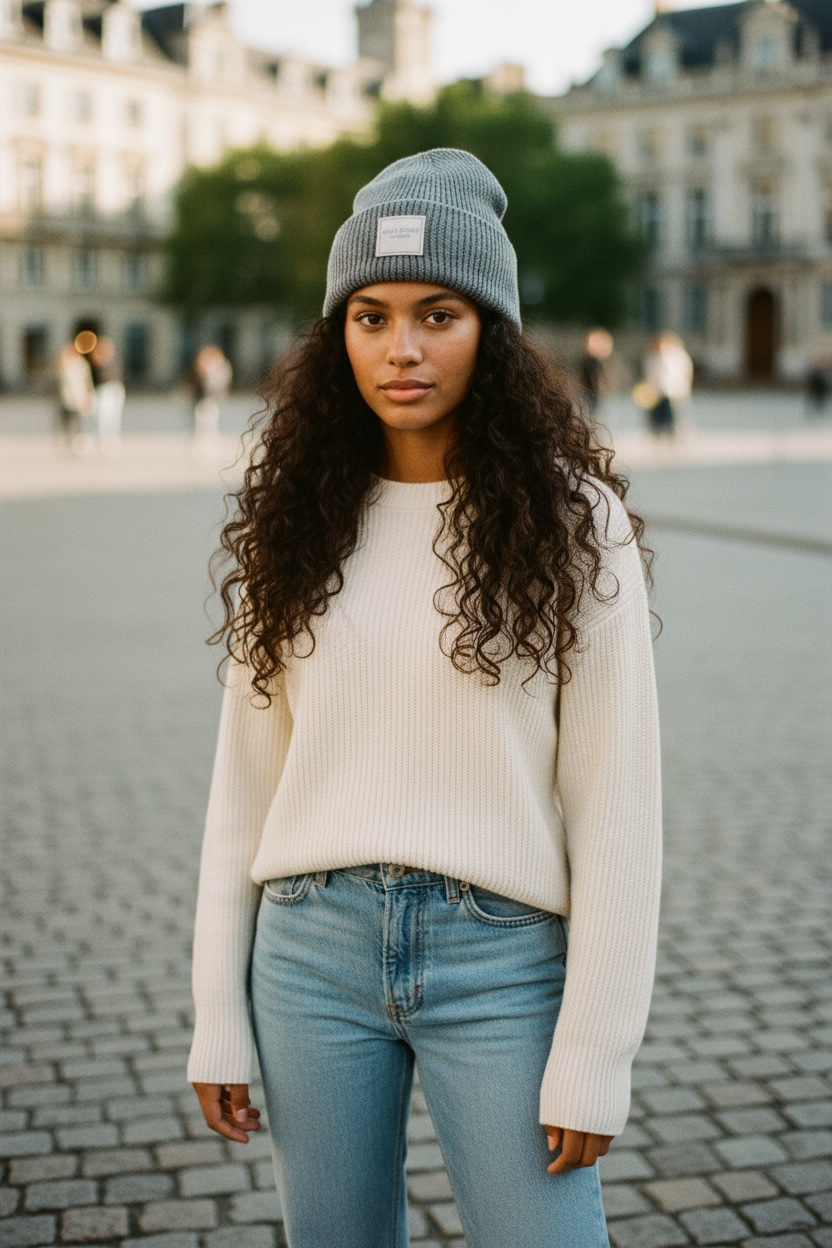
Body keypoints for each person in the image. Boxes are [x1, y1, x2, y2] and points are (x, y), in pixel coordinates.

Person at [188, 149, 662, 1248]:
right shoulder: (295, 517)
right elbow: (241, 790)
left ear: (490, 329)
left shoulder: (573, 522)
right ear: (335, 333)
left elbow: (617, 805)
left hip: (499, 960)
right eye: (369, 315)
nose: (400, 348)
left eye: (437, 312)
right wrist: (219, 1013)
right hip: (308, 955)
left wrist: (596, 1048)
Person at [643, 331, 693, 436]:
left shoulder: (678, 356)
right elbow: (650, 375)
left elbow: (683, 373)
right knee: (657, 415)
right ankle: (658, 431)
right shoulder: (653, 357)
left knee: (673, 414)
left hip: (673, 391)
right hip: (658, 392)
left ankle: (674, 432)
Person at [55, 338, 95, 451]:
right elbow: (55, 383)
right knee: (67, 421)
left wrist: (88, 395)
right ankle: (69, 440)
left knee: (80, 420)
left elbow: (88, 381)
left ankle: (81, 441)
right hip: (65, 398)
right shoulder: (62, 365)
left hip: (78, 397)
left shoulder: (82, 364)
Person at [190, 343, 232, 445]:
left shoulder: (219, 368)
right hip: (204, 398)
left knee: (209, 421)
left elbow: (218, 384)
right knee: (203, 421)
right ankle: (203, 441)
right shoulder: (208, 368)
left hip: (211, 398)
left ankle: (209, 442)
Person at [89, 335, 126, 452]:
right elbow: (96, 377)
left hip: (114, 388)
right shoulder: (97, 361)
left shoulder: (115, 360)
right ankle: (103, 439)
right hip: (103, 389)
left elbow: (120, 375)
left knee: (114, 416)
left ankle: (113, 438)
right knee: (102, 416)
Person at [578, 327, 614, 416]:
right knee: (590, 407)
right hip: (589, 387)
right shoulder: (586, 360)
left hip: (592, 387)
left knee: (593, 407)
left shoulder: (591, 360)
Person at [805, 352, 831, 417]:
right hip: (815, 389)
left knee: (821, 401)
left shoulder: (825, 370)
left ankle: (820, 412)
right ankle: (812, 413)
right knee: (813, 401)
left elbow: (826, 380)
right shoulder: (814, 370)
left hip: (822, 389)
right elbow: (810, 379)